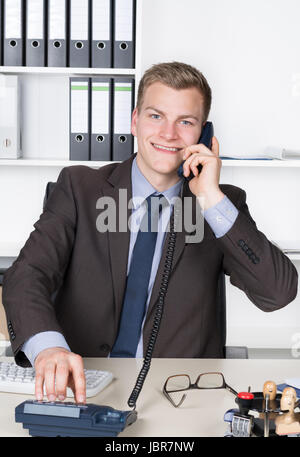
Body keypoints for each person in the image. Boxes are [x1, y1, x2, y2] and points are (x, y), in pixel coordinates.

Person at [2, 62, 298, 404]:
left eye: (185, 122)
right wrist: (48, 348)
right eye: (156, 116)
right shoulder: (80, 188)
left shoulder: (220, 204)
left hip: (179, 396)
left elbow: (278, 292)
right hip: (81, 385)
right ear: (134, 121)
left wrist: (210, 197)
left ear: (203, 134)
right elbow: (26, 276)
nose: (169, 134)